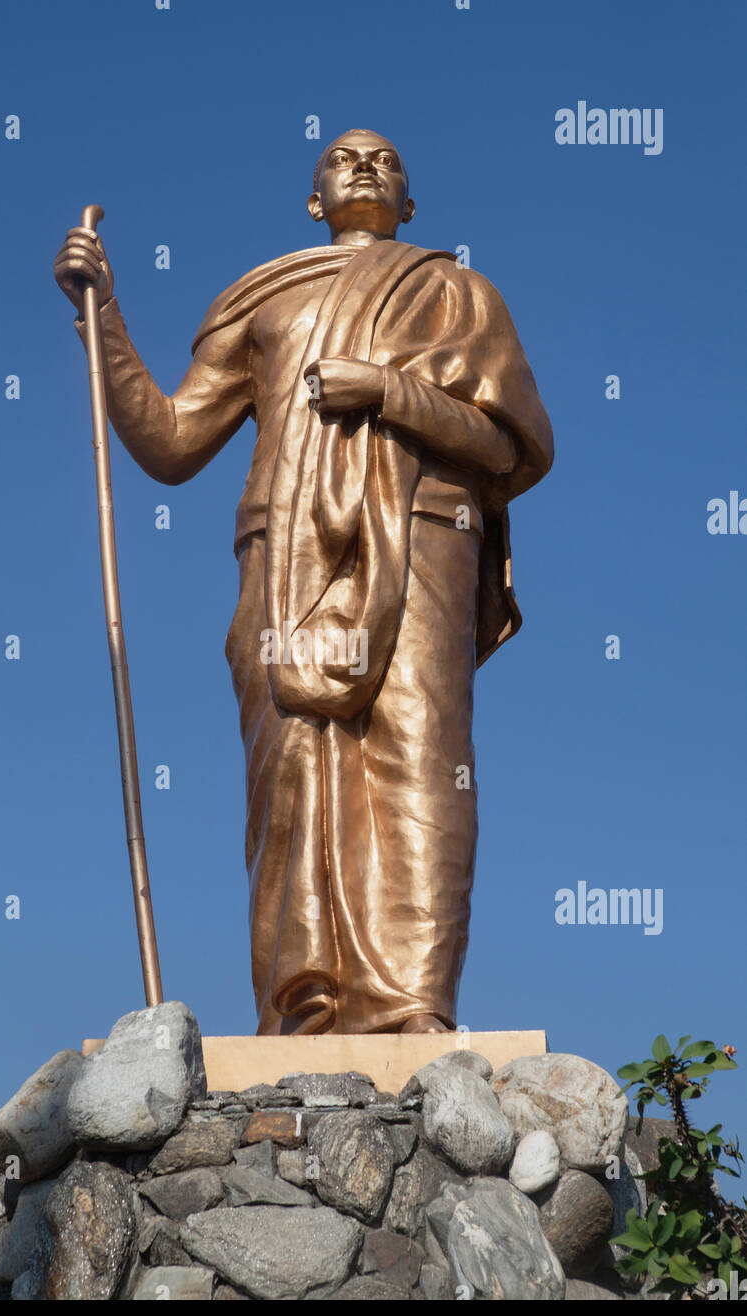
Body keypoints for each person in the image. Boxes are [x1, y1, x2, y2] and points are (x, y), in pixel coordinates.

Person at [54, 129, 553, 1036]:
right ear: (313, 200)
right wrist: (105, 321)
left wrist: (389, 393)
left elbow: (508, 447)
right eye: (343, 157)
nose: (366, 164)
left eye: (389, 159)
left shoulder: (456, 294)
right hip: (283, 555)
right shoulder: (264, 298)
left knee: (421, 754)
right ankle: (304, 1005)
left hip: (424, 532)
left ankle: (412, 1008)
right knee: (292, 772)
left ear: (412, 204)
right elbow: (172, 443)